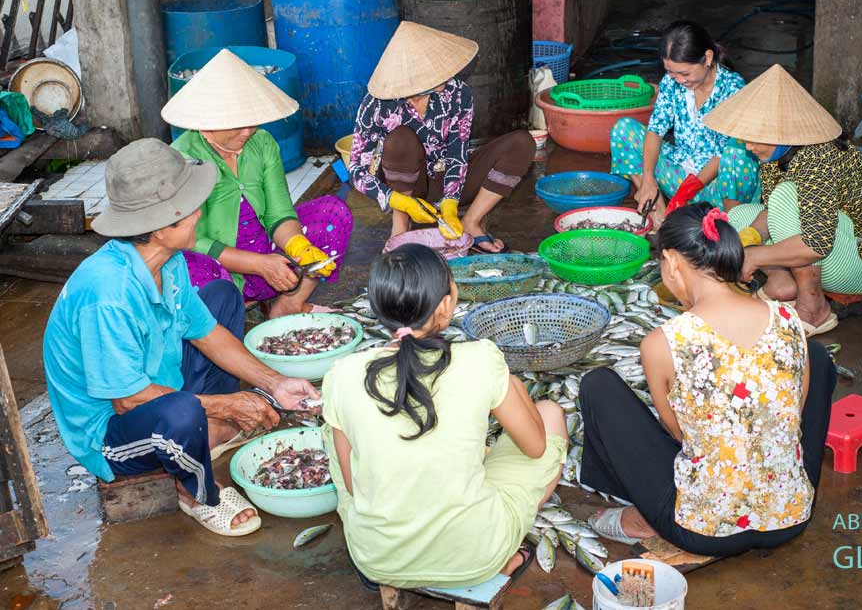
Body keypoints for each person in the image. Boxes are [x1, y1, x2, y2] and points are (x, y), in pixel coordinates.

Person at [43, 139, 321, 537]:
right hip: (110, 431)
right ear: (161, 227)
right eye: (192, 208)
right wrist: (226, 404)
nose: (200, 212)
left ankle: (201, 436)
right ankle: (195, 492)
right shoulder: (107, 295)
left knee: (222, 297)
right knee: (181, 413)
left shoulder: (168, 261)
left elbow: (206, 332)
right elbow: (128, 400)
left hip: (162, 385)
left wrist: (275, 384)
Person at [579, 203, 836, 557]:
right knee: (818, 357)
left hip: (704, 530)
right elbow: (793, 415)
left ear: (671, 263)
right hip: (790, 517)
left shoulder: (662, 342)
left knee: (598, 385)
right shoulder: (789, 319)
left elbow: (679, 434)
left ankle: (641, 513)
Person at [322, 244, 568, 588]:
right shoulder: (480, 359)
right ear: (446, 304)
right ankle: (502, 558)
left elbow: (352, 484)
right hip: (476, 556)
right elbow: (536, 446)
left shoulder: (343, 374)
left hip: (377, 559)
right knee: (551, 413)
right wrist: (512, 384)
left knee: (333, 431)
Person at [702, 64, 862, 335]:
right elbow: (772, 211)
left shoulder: (818, 158)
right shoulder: (774, 154)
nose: (748, 146)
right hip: (834, 243)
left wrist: (754, 255)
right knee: (736, 217)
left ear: (784, 131)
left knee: (786, 197)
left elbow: (816, 244)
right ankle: (780, 282)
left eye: (755, 138)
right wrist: (749, 236)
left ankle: (814, 306)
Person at [161, 49, 354, 319]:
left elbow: (279, 213)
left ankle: (289, 304)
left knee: (333, 212)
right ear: (206, 123)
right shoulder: (182, 157)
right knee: (185, 271)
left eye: (251, 122)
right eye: (237, 125)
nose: (247, 132)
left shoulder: (262, 144)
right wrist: (256, 264)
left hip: (269, 254)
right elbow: (190, 241)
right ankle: (233, 311)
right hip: (219, 264)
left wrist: (298, 246)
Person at [349, 21, 535, 254]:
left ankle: (471, 222)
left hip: (447, 180)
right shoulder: (377, 104)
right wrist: (396, 199)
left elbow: (457, 153)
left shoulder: (458, 93)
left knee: (522, 143)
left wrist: (450, 201)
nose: (448, 74)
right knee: (400, 140)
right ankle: (401, 226)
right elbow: (356, 168)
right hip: (406, 188)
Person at [610, 21, 759, 223]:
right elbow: (655, 130)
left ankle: (734, 226)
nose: (678, 79)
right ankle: (659, 216)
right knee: (623, 129)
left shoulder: (733, 88)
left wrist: (687, 192)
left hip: (718, 189)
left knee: (737, 152)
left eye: (685, 73)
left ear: (707, 58)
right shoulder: (671, 83)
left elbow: (723, 153)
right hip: (680, 177)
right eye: (671, 72)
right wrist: (648, 179)